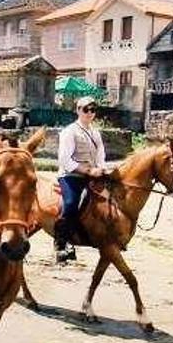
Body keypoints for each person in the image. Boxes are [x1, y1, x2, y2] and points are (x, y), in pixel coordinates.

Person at [54, 96, 109, 262]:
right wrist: (87, 170)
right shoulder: (69, 131)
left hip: (92, 174)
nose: (90, 113)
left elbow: (100, 154)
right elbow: (64, 159)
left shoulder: (95, 132)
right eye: (86, 109)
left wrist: (101, 168)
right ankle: (61, 244)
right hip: (71, 175)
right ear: (78, 110)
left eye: (93, 110)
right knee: (71, 203)